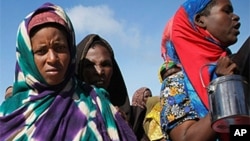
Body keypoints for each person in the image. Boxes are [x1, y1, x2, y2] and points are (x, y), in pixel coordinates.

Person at [0, 3, 136, 140]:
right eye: (41, 51)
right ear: (27, 57)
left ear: (71, 51)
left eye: (60, 48)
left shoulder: (98, 104)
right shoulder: (9, 115)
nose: (52, 59)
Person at [160, 0, 243, 141]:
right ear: (200, 20)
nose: (235, 17)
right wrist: (223, 89)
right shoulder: (176, 83)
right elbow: (185, 138)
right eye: (226, 11)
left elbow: (241, 132)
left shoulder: (237, 65)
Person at [75, 34, 131, 121]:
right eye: (89, 65)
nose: (99, 71)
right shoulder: (64, 113)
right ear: (78, 69)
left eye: (105, 64)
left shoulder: (132, 117)